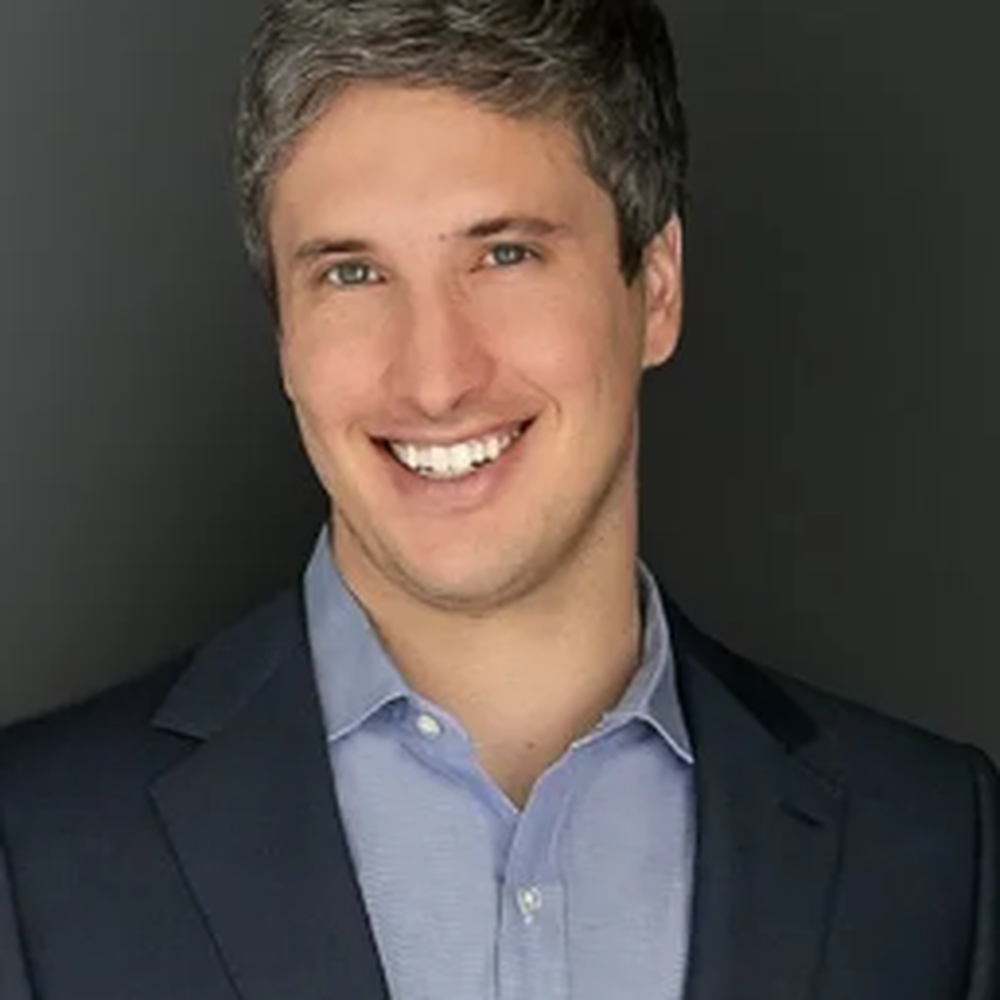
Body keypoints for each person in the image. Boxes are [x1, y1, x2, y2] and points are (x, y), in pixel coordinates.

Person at [0, 0, 996, 997]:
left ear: (655, 287)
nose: (435, 379)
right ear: (284, 337)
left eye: (505, 254)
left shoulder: (933, 847)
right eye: (353, 272)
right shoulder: (33, 847)